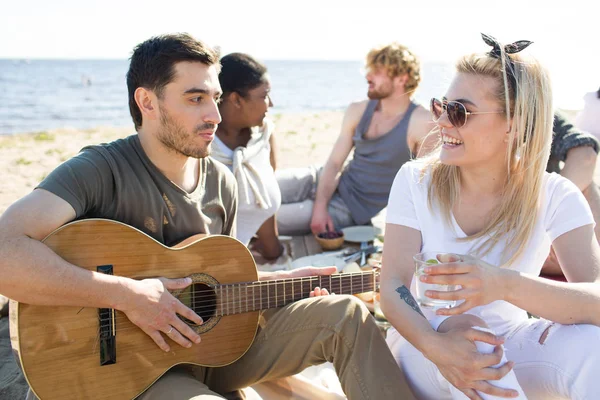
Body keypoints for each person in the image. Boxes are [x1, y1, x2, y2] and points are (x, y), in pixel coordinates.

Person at [0, 34, 414, 399]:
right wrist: (126, 295)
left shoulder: (221, 182)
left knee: (346, 315)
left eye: (214, 98)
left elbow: (217, 285)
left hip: (212, 352)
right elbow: (5, 250)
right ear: (147, 101)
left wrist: (280, 284)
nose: (214, 115)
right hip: (134, 373)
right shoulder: (100, 170)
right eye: (195, 98)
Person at [381, 33, 600, 399]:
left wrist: (503, 284)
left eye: (460, 112)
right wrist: (437, 349)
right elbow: (393, 286)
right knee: (472, 334)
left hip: (510, 346)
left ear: (513, 124)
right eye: (442, 107)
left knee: (592, 345)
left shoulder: (555, 195)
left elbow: (595, 302)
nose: (442, 124)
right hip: (422, 348)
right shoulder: (415, 180)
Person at [276, 42, 435, 236]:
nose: (368, 76)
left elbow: (423, 190)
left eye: (377, 71)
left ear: (402, 78)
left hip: (350, 208)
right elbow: (335, 163)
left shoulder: (421, 122)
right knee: (258, 188)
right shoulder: (358, 110)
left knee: (266, 218)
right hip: (320, 179)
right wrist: (320, 206)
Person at [211, 52, 283, 260]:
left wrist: (273, 250)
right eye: (264, 95)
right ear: (236, 99)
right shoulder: (202, 148)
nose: (270, 104)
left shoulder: (264, 134)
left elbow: (264, 199)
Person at [542, 112, 600, 276]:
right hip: (509, 230)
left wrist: (546, 215)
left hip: (543, 228)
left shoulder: (534, 107)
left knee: (584, 186)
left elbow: (585, 155)